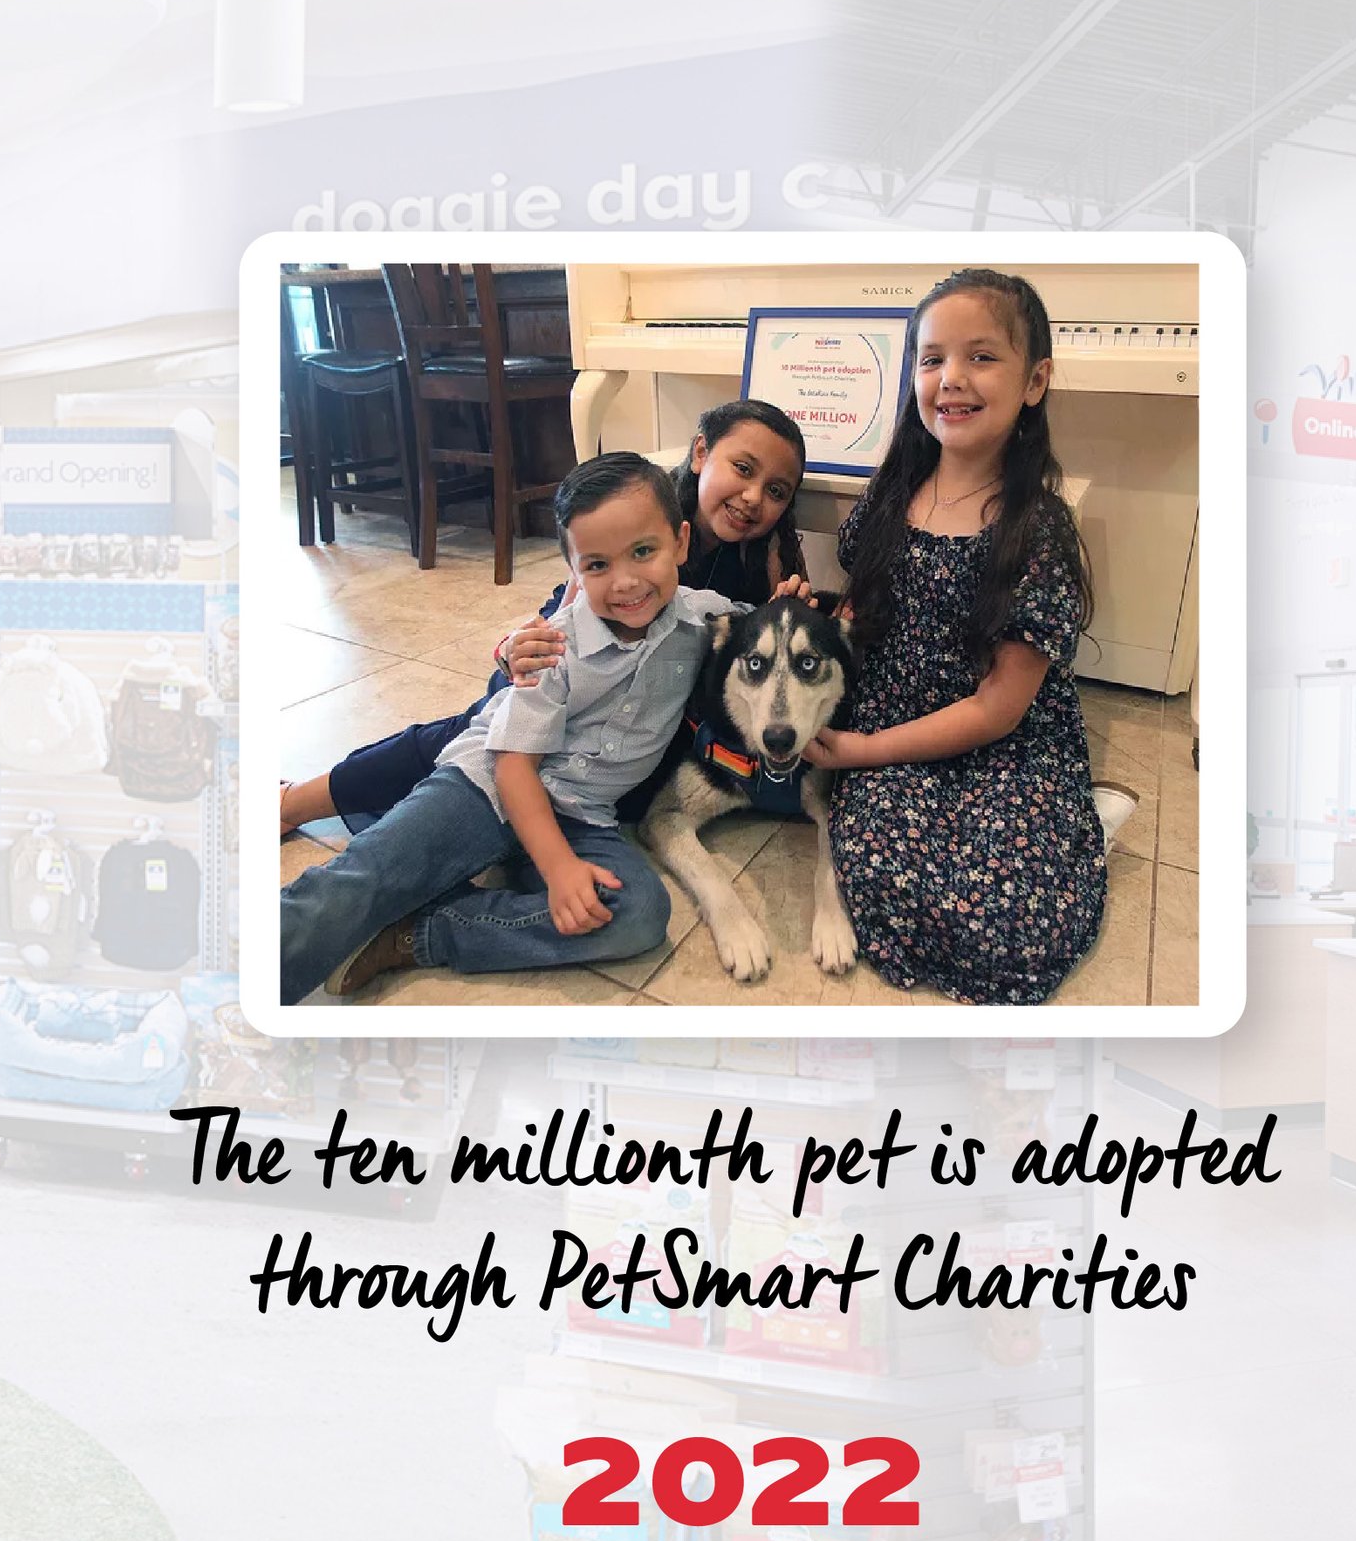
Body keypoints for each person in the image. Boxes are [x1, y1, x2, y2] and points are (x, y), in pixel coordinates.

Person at [278, 452, 732, 1004]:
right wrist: (559, 869)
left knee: (638, 913)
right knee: (360, 881)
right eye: (597, 565)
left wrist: (799, 606)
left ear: (681, 543)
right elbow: (513, 765)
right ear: (572, 569)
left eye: (643, 552)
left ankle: (419, 932)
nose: (626, 582)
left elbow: (762, 627)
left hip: (582, 818)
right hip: (486, 793)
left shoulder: (703, 618)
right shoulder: (552, 646)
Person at [277, 399, 807, 837]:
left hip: (642, 718)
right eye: (742, 468)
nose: (753, 496)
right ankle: (297, 802)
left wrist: (785, 612)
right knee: (473, 737)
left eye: (777, 490)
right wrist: (511, 650)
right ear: (700, 454)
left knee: (631, 795)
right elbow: (565, 614)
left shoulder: (763, 561)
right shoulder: (643, 510)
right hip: (564, 674)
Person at [800, 268, 1110, 1005]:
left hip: (1000, 739)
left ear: (1035, 381)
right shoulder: (894, 489)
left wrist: (861, 753)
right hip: (896, 715)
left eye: (981, 356)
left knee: (1010, 925)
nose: (952, 379)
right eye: (932, 358)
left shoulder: (1036, 530)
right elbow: (863, 604)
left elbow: (999, 708)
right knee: (880, 872)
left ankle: (1088, 822)